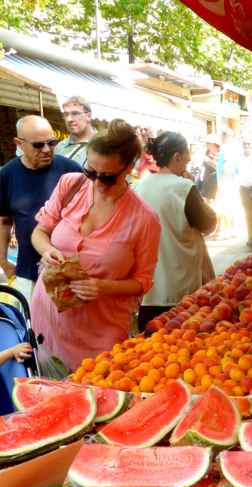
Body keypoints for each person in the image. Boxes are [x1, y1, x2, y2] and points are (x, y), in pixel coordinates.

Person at [30, 119, 161, 372]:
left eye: (108, 177)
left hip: (101, 336)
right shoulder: (71, 184)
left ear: (129, 169)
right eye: (91, 172)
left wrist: (101, 286)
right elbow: (39, 232)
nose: (97, 183)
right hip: (48, 320)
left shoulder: (144, 219)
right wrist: (47, 251)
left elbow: (143, 282)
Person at [0, 115, 82, 301]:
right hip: (27, 270)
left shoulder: (71, 171)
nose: (47, 150)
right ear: (19, 143)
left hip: (69, 270)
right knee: (34, 327)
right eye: (38, 145)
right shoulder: (7, 175)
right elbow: (4, 222)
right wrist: (2, 260)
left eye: (52, 142)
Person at [134, 132, 217, 330]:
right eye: (187, 154)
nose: (189, 159)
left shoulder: (139, 187)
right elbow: (208, 224)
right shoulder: (183, 187)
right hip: (182, 288)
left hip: (149, 291)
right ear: (177, 157)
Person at [55, 96, 96, 167]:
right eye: (66, 114)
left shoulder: (102, 145)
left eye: (75, 114)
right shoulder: (59, 147)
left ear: (88, 116)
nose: (69, 119)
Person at [238, 139, 252, 249]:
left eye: (248, 143)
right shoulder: (239, 157)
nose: (246, 145)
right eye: (244, 144)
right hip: (243, 188)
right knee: (247, 215)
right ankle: (251, 238)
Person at [198, 133, 220, 202]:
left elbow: (219, 167)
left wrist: (209, 161)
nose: (206, 144)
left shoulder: (219, 152)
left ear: (213, 144)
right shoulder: (207, 151)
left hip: (214, 181)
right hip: (205, 180)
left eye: (208, 143)